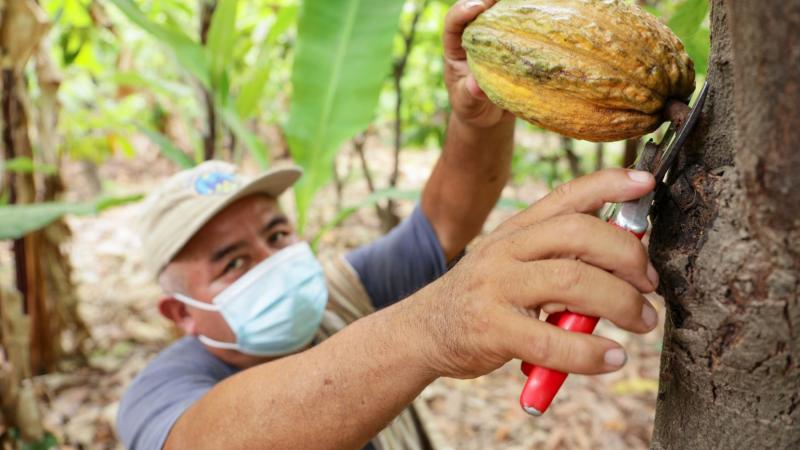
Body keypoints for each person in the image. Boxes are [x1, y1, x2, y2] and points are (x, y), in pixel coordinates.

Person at [116, 1, 660, 449]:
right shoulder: (157, 394)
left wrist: (477, 115)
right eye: (233, 262)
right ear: (179, 313)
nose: (271, 260)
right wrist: (435, 325)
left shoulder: (341, 295)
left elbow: (448, 216)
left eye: (276, 234)